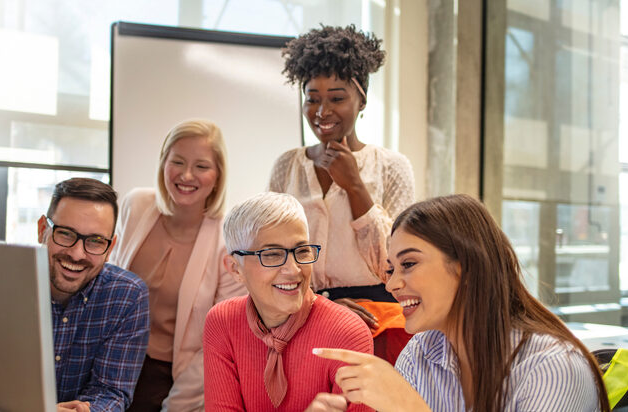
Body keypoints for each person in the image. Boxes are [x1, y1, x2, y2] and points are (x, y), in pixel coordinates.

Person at [312, 195, 610, 412]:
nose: (391, 284)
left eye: (409, 264)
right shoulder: (418, 355)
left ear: (466, 267)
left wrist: (408, 407)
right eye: (391, 269)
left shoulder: (552, 367)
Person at [272, 24, 415, 360]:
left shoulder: (391, 167)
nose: (322, 112)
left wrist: (354, 185)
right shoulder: (288, 165)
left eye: (337, 98)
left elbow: (395, 263)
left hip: (376, 323)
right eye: (313, 99)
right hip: (301, 316)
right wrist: (324, 304)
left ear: (361, 99)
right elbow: (270, 251)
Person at [110, 119, 246, 411]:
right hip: (113, 359)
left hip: (171, 376)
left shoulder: (229, 240)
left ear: (218, 174)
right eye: (178, 162)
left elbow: (219, 339)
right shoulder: (135, 205)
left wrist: (178, 404)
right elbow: (108, 286)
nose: (186, 175)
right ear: (163, 163)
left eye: (201, 166)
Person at [203, 192, 374, 411]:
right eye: (272, 254)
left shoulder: (347, 331)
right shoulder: (222, 322)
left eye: (301, 251)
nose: (293, 270)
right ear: (236, 269)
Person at [36, 177, 150, 412]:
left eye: (96, 241)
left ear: (110, 248)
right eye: (66, 234)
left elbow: (111, 390)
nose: (77, 254)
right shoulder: (1, 282)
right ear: (42, 230)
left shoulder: (127, 296)